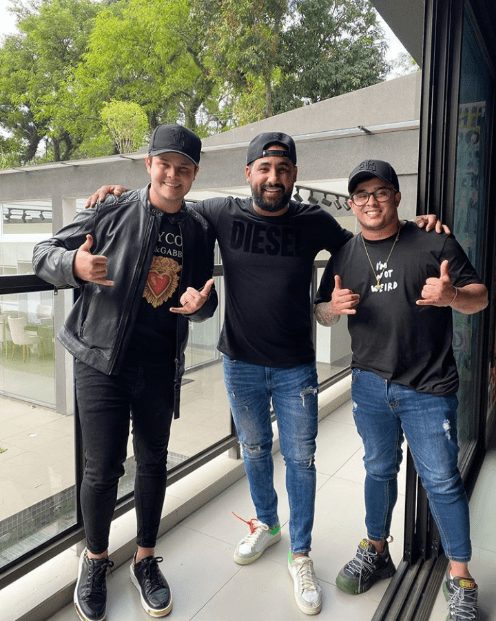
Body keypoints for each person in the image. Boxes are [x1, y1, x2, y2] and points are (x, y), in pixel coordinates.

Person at [85, 135, 443, 616]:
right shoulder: (220, 212)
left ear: (293, 175)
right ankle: (267, 524)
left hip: (296, 367)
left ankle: (301, 554)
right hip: (239, 363)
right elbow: (167, 197)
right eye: (265, 168)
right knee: (253, 450)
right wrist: (119, 193)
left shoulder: (314, 220)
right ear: (248, 172)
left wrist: (415, 229)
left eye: (283, 169)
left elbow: (369, 240)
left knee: (301, 461)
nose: (274, 178)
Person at [32, 124, 218, 621]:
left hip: (160, 364)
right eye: (165, 165)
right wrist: (74, 265)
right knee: (102, 468)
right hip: (101, 359)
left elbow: (204, 297)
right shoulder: (110, 207)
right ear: (148, 164)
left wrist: (201, 305)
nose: (173, 175)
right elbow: (42, 253)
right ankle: (95, 561)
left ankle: (145, 560)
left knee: (153, 462)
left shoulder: (199, 229)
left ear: (195, 174)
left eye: (183, 169)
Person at [314, 159, 487, 621]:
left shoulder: (434, 241)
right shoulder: (345, 253)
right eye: (361, 195)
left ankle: (460, 577)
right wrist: (331, 309)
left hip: (428, 387)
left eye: (380, 192)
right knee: (377, 469)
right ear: (352, 204)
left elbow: (481, 296)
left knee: (442, 481)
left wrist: (453, 297)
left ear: (396, 196)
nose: (371, 201)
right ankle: (376, 550)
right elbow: (321, 312)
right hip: (370, 384)